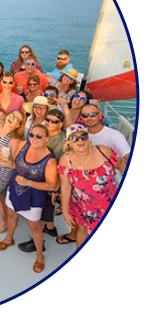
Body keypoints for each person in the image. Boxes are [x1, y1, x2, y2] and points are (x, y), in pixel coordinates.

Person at [56, 105, 130, 245]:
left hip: (108, 202)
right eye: (74, 138)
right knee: (82, 231)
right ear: (69, 142)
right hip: (81, 206)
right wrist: (65, 211)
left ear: (88, 137)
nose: (80, 141)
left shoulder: (104, 151)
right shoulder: (66, 160)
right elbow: (65, 188)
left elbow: (121, 165)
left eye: (83, 136)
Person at [0, 125, 59, 274]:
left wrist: (28, 182)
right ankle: (9, 239)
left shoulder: (50, 161)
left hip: (34, 196)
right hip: (15, 188)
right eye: (32, 135)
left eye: (39, 136)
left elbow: (52, 185)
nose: (34, 138)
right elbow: (13, 164)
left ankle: (39, 255)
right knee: (11, 215)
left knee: (35, 227)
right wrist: (3, 160)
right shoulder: (24, 145)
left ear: (46, 139)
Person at [17, 109, 66, 253]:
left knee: (38, 215)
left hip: (48, 183)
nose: (49, 123)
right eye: (48, 120)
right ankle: (50, 229)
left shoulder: (62, 142)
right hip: (42, 179)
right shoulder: (46, 135)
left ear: (61, 124)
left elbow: (61, 167)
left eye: (54, 121)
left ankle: (37, 243)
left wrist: (55, 190)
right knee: (47, 209)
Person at [0, 110, 25, 233]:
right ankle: (2, 212)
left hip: (4, 169)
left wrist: (1, 160)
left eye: (16, 119)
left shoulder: (14, 139)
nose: (12, 118)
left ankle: (3, 222)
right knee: (0, 193)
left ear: (18, 125)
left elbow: (12, 164)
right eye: (12, 115)